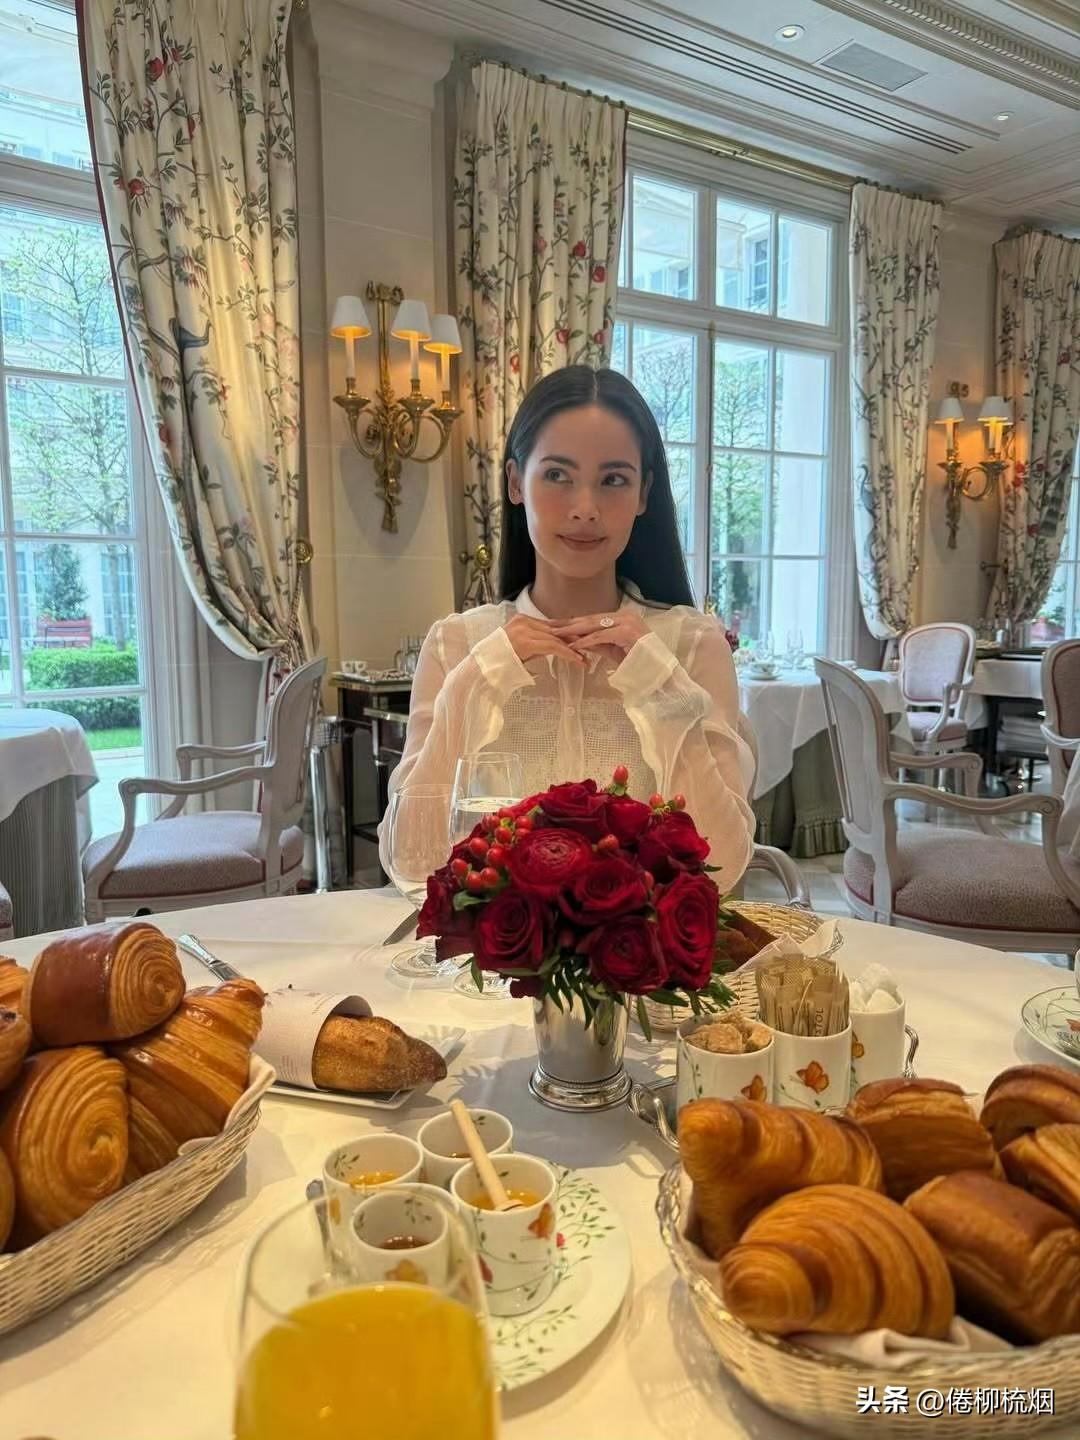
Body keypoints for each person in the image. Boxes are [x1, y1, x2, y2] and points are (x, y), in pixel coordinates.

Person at [379, 365, 756, 884]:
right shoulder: (458, 644)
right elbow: (410, 864)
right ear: (516, 482)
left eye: (613, 480)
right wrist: (474, 684)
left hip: (641, 940)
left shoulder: (692, 647)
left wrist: (660, 683)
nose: (585, 509)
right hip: (494, 941)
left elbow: (725, 869)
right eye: (557, 475)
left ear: (643, 493)